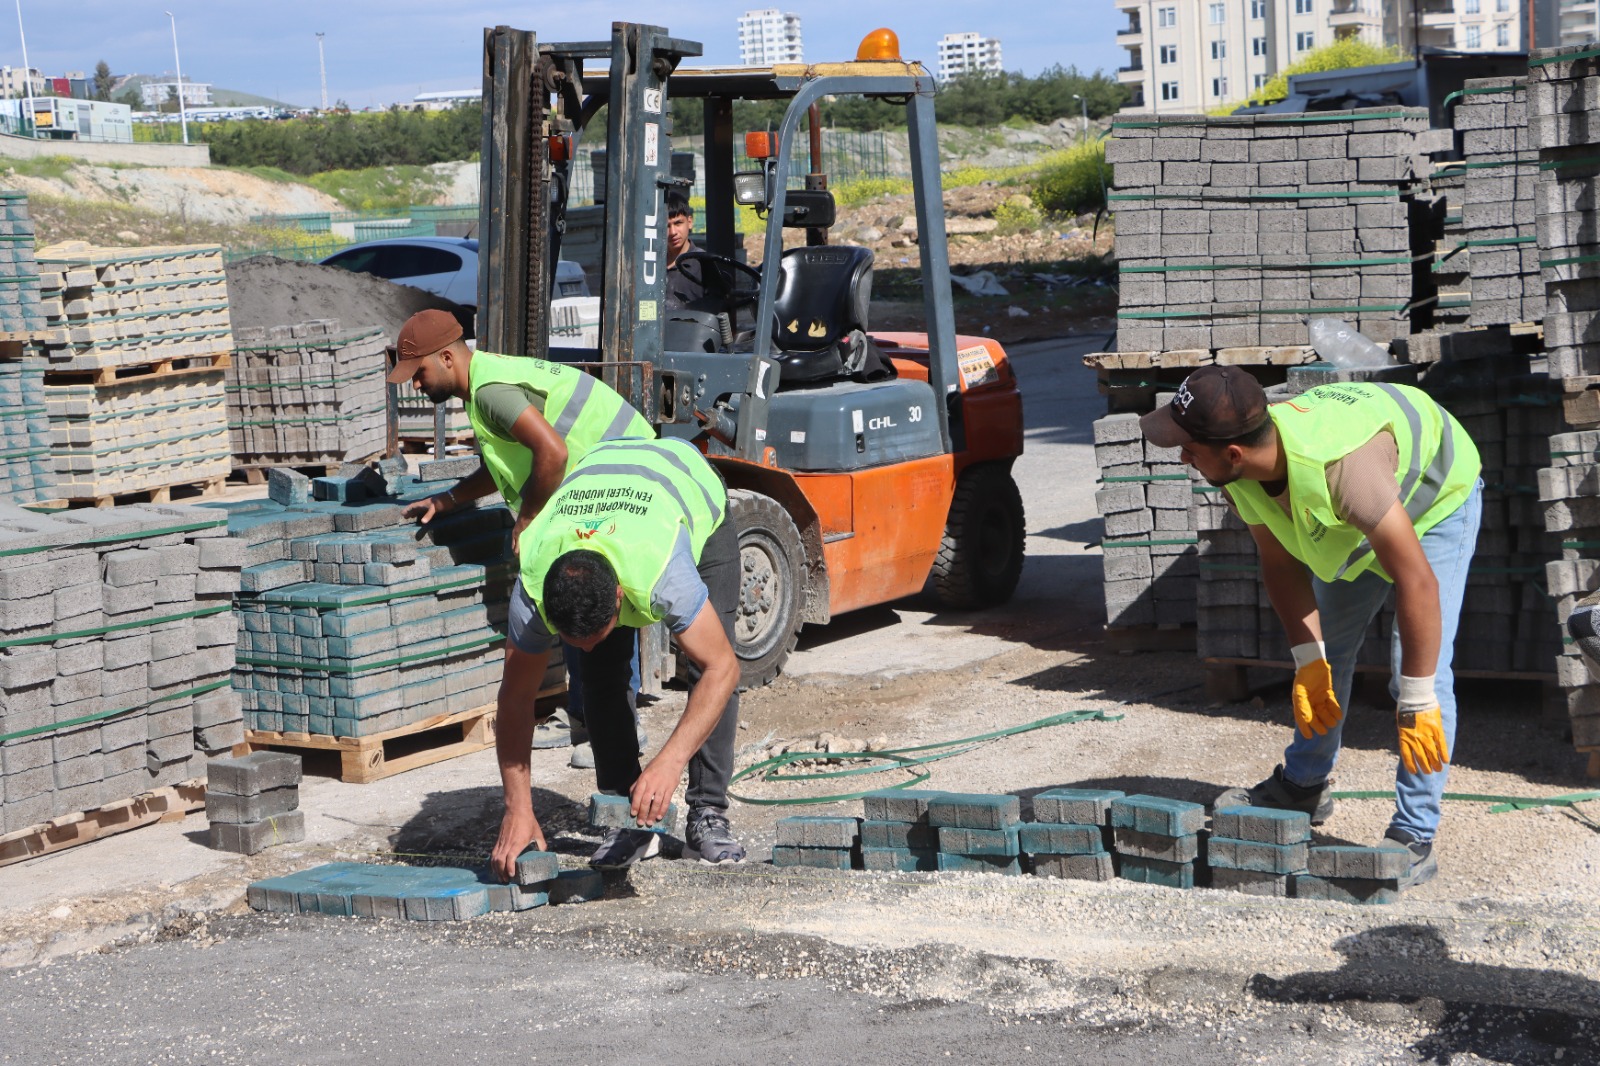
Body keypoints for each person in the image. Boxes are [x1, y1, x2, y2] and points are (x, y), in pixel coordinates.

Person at [1141, 366, 1482, 890]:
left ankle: (1414, 834)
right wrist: (1307, 660)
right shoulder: (1241, 472)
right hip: (1360, 515)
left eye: (1188, 448)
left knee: (1419, 679)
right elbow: (1280, 562)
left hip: (1433, 497)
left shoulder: (1346, 470)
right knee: (1327, 655)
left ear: (1234, 452)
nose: (1183, 458)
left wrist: (1416, 700)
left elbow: (1418, 582)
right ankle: (1304, 785)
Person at [388, 309, 654, 767]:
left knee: (596, 595)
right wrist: (449, 500)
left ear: (448, 358)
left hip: (623, 476)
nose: (415, 384)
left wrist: (528, 518)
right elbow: (509, 463)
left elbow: (553, 451)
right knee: (572, 593)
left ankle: (619, 726)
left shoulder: (490, 391)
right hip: (602, 477)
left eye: (419, 372)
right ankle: (585, 716)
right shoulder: (485, 386)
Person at [488, 435, 746, 875]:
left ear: (621, 597)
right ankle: (627, 818)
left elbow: (721, 668)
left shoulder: (662, 571)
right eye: (574, 642)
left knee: (709, 662)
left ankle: (708, 812)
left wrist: (668, 763)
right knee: (599, 674)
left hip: (687, 486)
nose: (585, 647)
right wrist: (517, 808)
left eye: (594, 634)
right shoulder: (533, 586)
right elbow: (514, 699)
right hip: (603, 483)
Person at [663, 188, 704, 311]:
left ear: (689, 222)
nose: (673, 232)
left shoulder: (704, 265)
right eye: (666, 226)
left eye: (678, 223)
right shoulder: (650, 266)